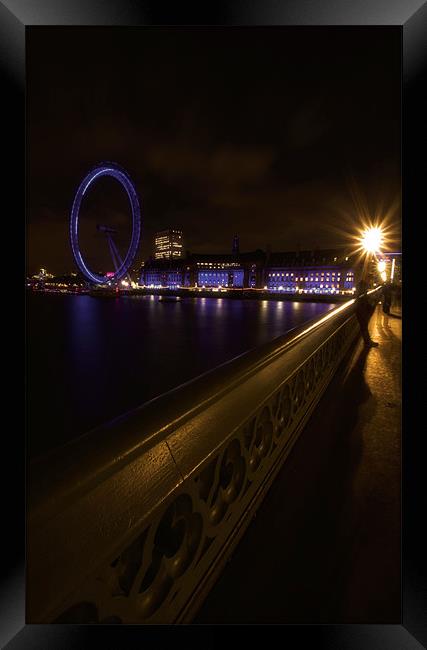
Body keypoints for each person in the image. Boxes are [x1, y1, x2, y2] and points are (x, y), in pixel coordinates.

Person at [355, 278, 379, 347]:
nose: (367, 288)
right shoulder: (362, 296)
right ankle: (368, 342)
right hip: (362, 313)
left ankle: (368, 341)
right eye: (366, 287)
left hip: (361, 312)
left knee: (364, 327)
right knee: (364, 327)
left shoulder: (360, 296)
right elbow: (365, 304)